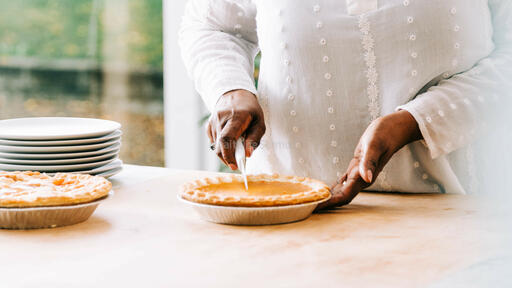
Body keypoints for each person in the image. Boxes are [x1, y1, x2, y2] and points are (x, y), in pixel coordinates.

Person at [179, 0, 511, 209]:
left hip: (461, 216)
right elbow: (212, 25)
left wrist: (414, 121)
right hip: (288, 221)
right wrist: (230, 87)